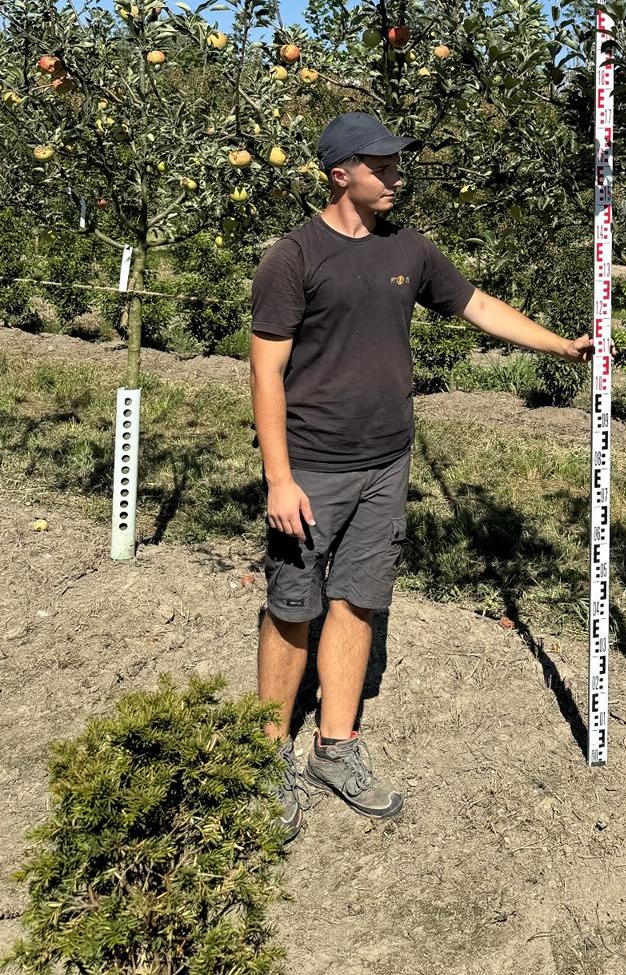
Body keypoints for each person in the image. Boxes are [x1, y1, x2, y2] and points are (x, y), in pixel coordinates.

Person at [250, 111, 592, 839]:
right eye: (382, 165)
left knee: (358, 601)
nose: (397, 176)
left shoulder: (411, 249)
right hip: (313, 465)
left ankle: (335, 749)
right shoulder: (292, 258)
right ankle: (265, 754)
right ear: (340, 172)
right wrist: (279, 477)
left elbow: (477, 308)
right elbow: (266, 372)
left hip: (386, 462)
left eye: (397, 164)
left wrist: (560, 347)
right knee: (291, 608)